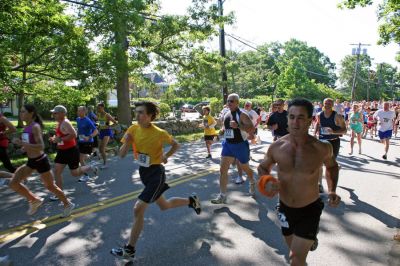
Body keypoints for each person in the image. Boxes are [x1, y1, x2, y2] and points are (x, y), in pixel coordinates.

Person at [110, 101, 201, 260]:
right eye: (136, 112)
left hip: (156, 174)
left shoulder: (159, 132)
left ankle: (129, 249)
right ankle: (191, 201)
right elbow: (121, 154)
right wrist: (128, 142)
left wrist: (166, 156)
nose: (137, 115)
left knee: (138, 208)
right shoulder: (133, 129)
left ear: (150, 116)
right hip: (144, 172)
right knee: (164, 206)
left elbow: (176, 144)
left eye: (141, 112)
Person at [257, 98, 341, 266]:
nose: (295, 122)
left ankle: (309, 237)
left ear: (310, 120)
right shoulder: (276, 147)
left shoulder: (322, 148)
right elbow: (262, 168)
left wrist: (332, 190)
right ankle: (309, 241)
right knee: (294, 255)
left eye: (301, 117)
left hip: (310, 209)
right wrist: (266, 180)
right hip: (285, 209)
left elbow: (332, 167)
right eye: (292, 116)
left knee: (295, 258)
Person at [8, 104, 74, 217]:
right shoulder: (27, 127)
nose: (21, 114)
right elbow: (31, 144)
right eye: (20, 112)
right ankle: (34, 200)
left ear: (31, 113)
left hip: (40, 161)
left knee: (50, 186)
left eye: (23, 112)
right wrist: (24, 148)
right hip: (31, 161)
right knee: (13, 183)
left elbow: (41, 146)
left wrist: (22, 143)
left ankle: (68, 204)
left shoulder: (35, 127)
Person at [211, 93, 256, 204]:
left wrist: (238, 126)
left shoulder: (242, 114)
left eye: (232, 101)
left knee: (245, 168)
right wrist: (219, 133)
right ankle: (222, 195)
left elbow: (251, 129)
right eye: (228, 101)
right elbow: (224, 127)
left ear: (237, 103)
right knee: (222, 170)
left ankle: (252, 181)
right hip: (228, 145)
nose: (229, 103)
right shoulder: (226, 113)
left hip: (240, 145)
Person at [49, 105, 96, 199]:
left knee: (74, 173)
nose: (53, 115)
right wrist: (55, 139)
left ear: (62, 113)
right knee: (56, 171)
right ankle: (59, 194)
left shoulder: (65, 123)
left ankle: (90, 167)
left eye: (55, 113)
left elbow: (74, 134)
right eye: (53, 113)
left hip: (70, 151)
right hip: (62, 151)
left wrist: (59, 139)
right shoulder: (59, 123)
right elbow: (62, 136)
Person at [314, 98, 346, 193]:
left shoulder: (337, 116)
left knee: (329, 165)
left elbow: (344, 130)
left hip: (333, 142)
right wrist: (315, 133)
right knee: (319, 163)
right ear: (323, 104)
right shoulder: (320, 114)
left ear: (332, 105)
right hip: (322, 141)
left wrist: (334, 132)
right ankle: (319, 184)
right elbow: (318, 123)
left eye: (329, 103)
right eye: (325, 103)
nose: (327, 105)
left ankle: (336, 167)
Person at [76, 106, 99, 182]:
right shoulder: (78, 119)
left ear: (84, 112)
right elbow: (79, 130)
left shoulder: (88, 120)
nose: (78, 112)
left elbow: (96, 131)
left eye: (79, 111)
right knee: (83, 158)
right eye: (78, 111)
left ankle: (86, 175)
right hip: (80, 141)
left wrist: (89, 137)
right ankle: (92, 166)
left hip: (88, 142)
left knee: (81, 159)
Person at [97, 103, 117, 169]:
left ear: (103, 108)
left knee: (102, 149)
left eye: (99, 108)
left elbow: (115, 122)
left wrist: (109, 126)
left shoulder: (107, 115)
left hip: (107, 132)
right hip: (101, 132)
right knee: (100, 148)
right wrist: (99, 128)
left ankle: (105, 164)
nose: (98, 109)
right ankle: (114, 149)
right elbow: (100, 123)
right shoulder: (99, 114)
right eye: (98, 108)